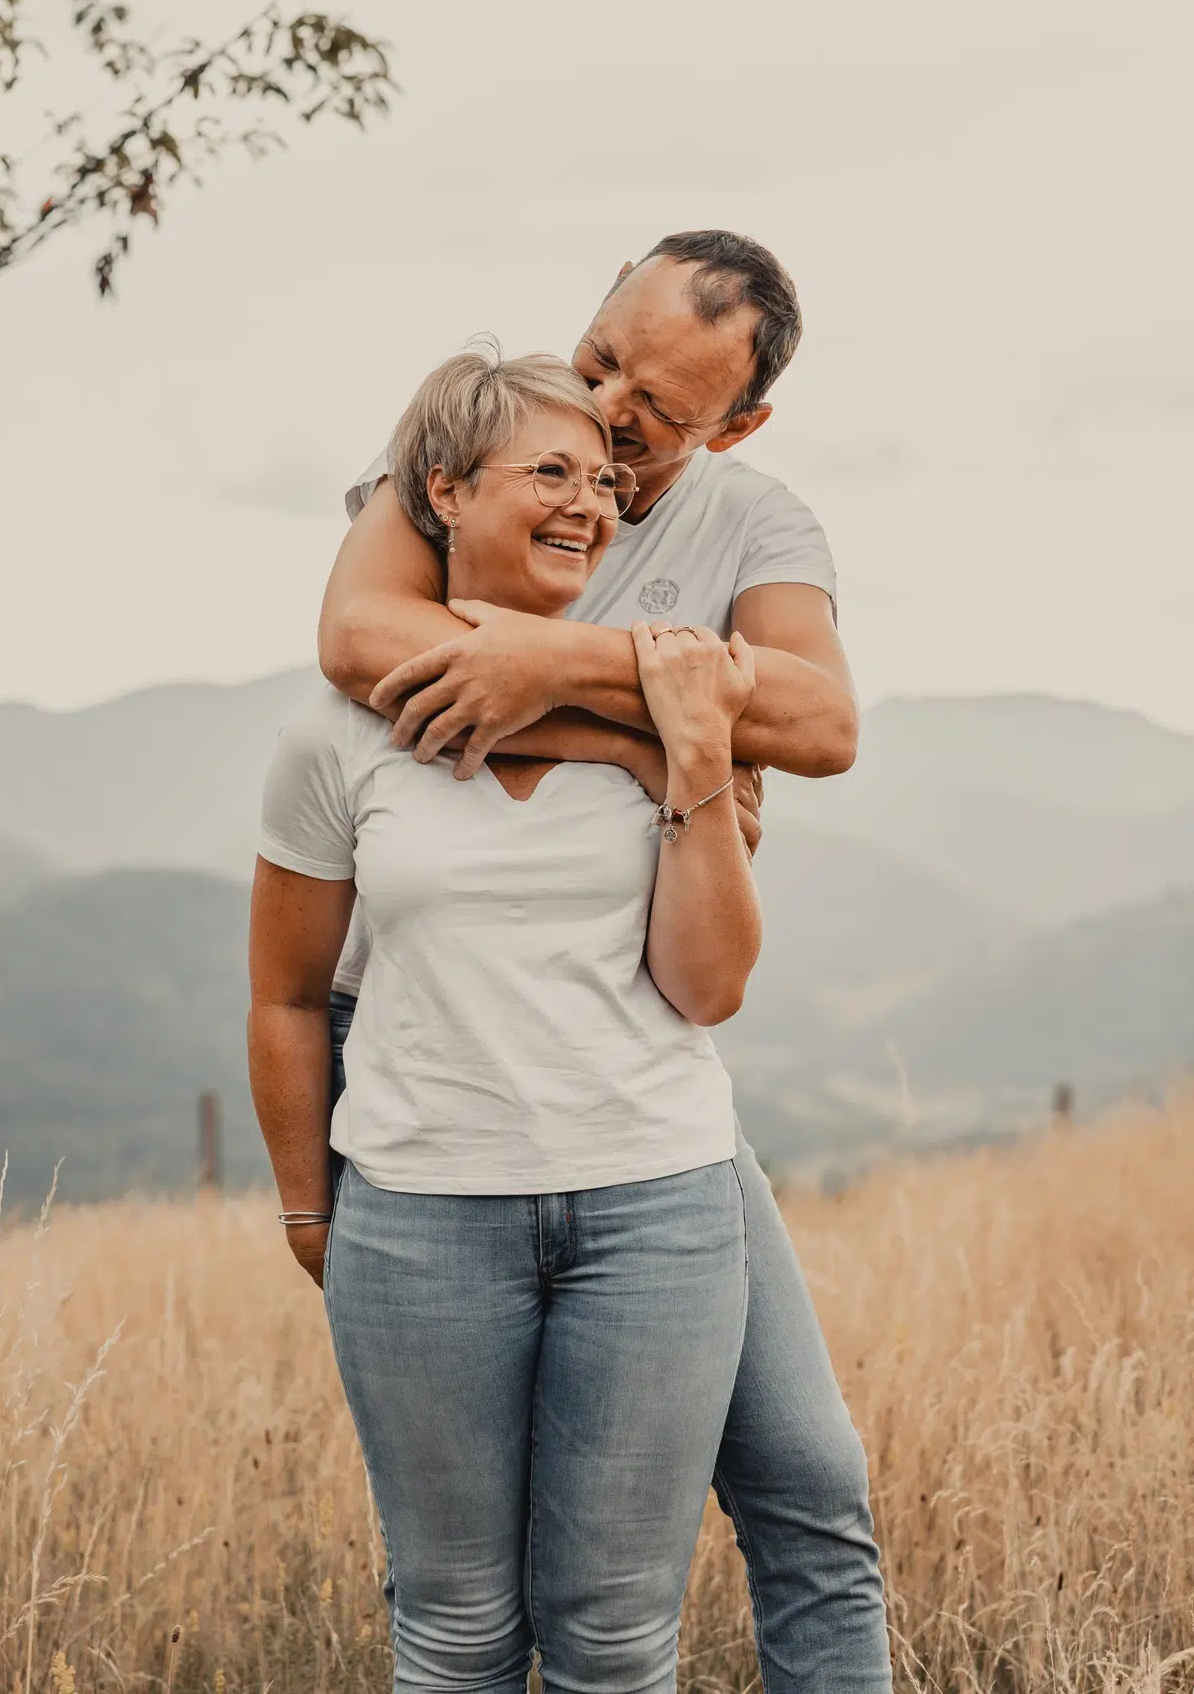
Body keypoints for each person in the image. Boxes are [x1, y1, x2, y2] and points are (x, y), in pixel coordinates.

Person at [317, 232, 894, 1694]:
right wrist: (656, 726)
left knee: (813, 1489)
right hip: (447, 1075)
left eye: (654, 409)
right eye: (600, 354)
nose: (607, 407)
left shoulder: (756, 524)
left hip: (644, 1089)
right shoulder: (487, 450)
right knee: (463, 1600)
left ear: (736, 427)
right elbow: (357, 636)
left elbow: (823, 728)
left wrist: (551, 667)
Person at [250, 347, 763, 1694]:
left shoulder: (666, 699)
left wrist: (697, 755)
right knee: (456, 1625)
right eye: (551, 472)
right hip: (421, 1221)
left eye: (604, 482)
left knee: (612, 1632)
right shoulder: (335, 735)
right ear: (441, 490)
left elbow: (709, 988)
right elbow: (287, 994)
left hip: (658, 1209)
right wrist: (312, 1210)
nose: (589, 504)